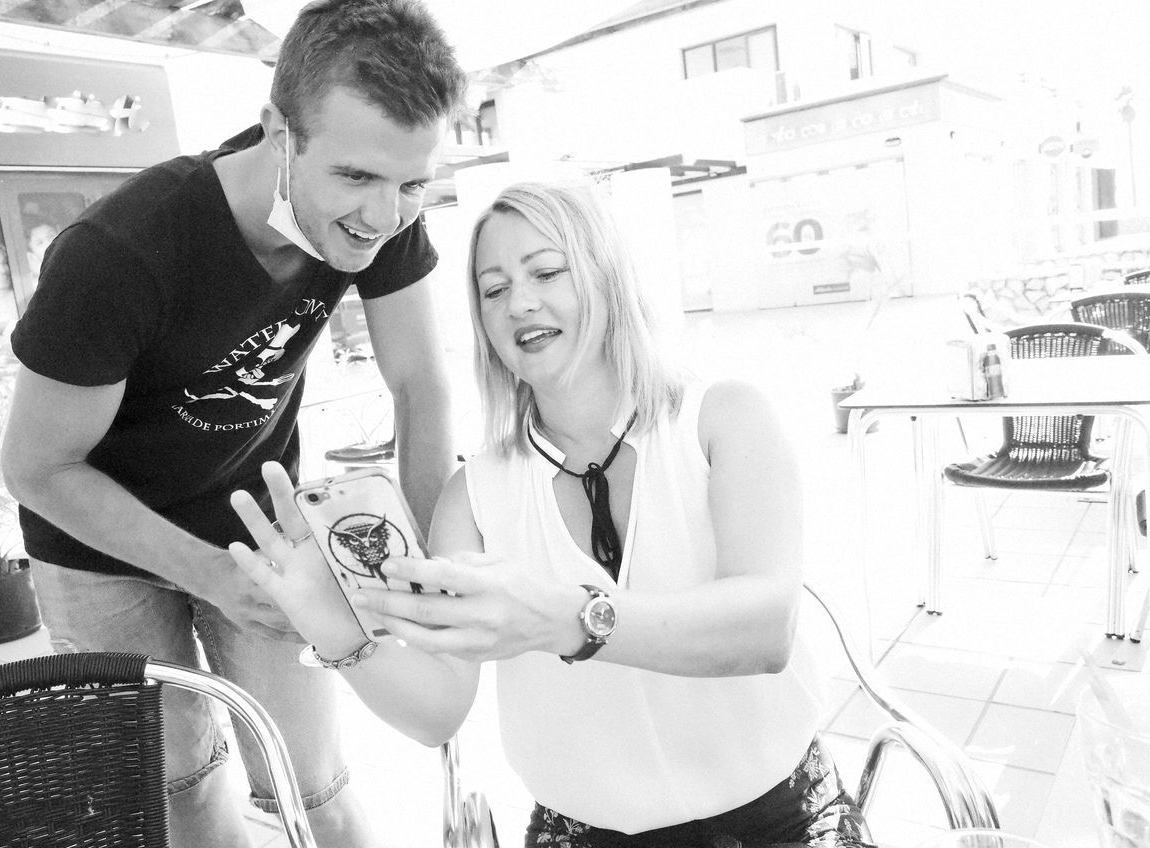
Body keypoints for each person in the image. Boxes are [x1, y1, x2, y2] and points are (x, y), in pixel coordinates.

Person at [229, 181, 875, 847]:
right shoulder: (473, 494)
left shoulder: (723, 419)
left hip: (784, 821)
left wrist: (562, 619)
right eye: (494, 288)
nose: (521, 302)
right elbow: (438, 712)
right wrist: (338, 633)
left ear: (604, 277)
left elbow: (765, 629)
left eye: (545, 271)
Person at [0, 1, 465, 845]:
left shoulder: (385, 209)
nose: (385, 215)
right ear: (277, 133)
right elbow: (37, 468)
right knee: (182, 782)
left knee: (313, 780)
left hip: (255, 521)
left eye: (413, 183)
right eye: (355, 178)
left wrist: (435, 570)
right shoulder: (121, 252)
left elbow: (420, 386)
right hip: (97, 545)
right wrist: (206, 573)